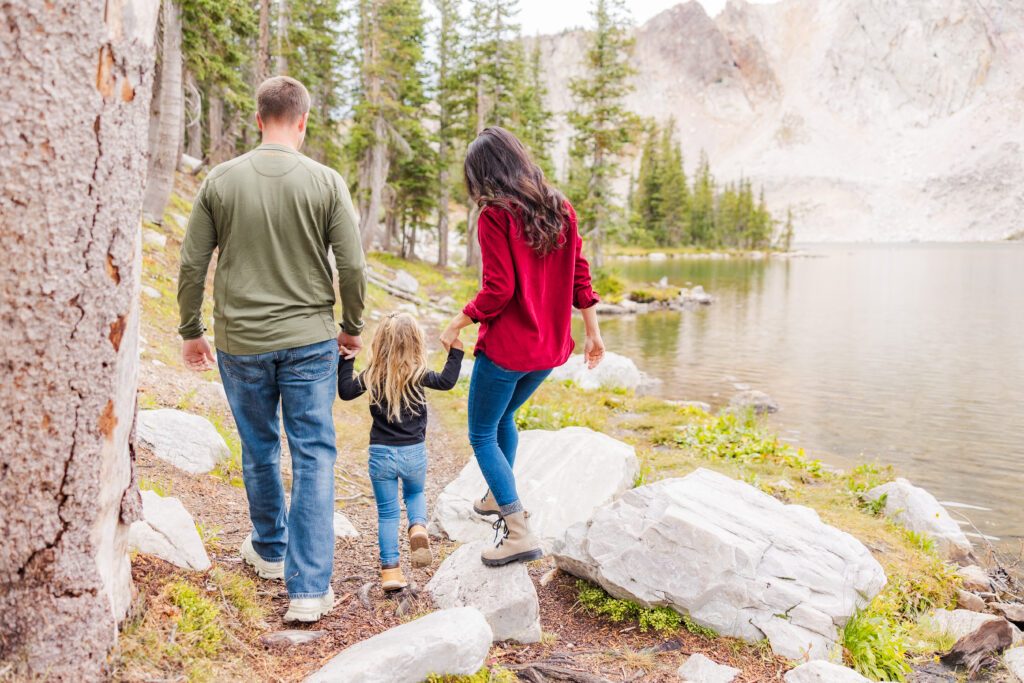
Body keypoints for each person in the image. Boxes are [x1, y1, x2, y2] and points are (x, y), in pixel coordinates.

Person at [177, 76, 366, 622]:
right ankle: (308, 590)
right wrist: (351, 326)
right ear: (302, 121)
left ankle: (268, 549)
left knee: (258, 446)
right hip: (310, 341)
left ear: (259, 119)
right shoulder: (326, 182)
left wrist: (191, 330)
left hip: (241, 341)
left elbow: (193, 264)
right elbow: (351, 265)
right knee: (313, 452)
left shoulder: (220, 179)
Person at [440, 126, 605, 567]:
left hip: (508, 351)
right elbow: (580, 275)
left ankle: (517, 531)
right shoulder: (560, 207)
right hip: (551, 349)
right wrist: (592, 331)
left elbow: (499, 289)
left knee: (480, 433)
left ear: (485, 173)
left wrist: (457, 321)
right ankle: (498, 496)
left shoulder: (496, 216)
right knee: (505, 417)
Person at [338, 312, 464, 590]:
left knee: (387, 513)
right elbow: (446, 381)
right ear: (416, 344)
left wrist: (346, 359)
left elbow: (346, 391)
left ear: (380, 343)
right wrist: (455, 352)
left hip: (381, 455)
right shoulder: (418, 374)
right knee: (416, 494)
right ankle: (418, 527)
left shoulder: (373, 374)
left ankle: (391, 573)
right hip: (414, 453)